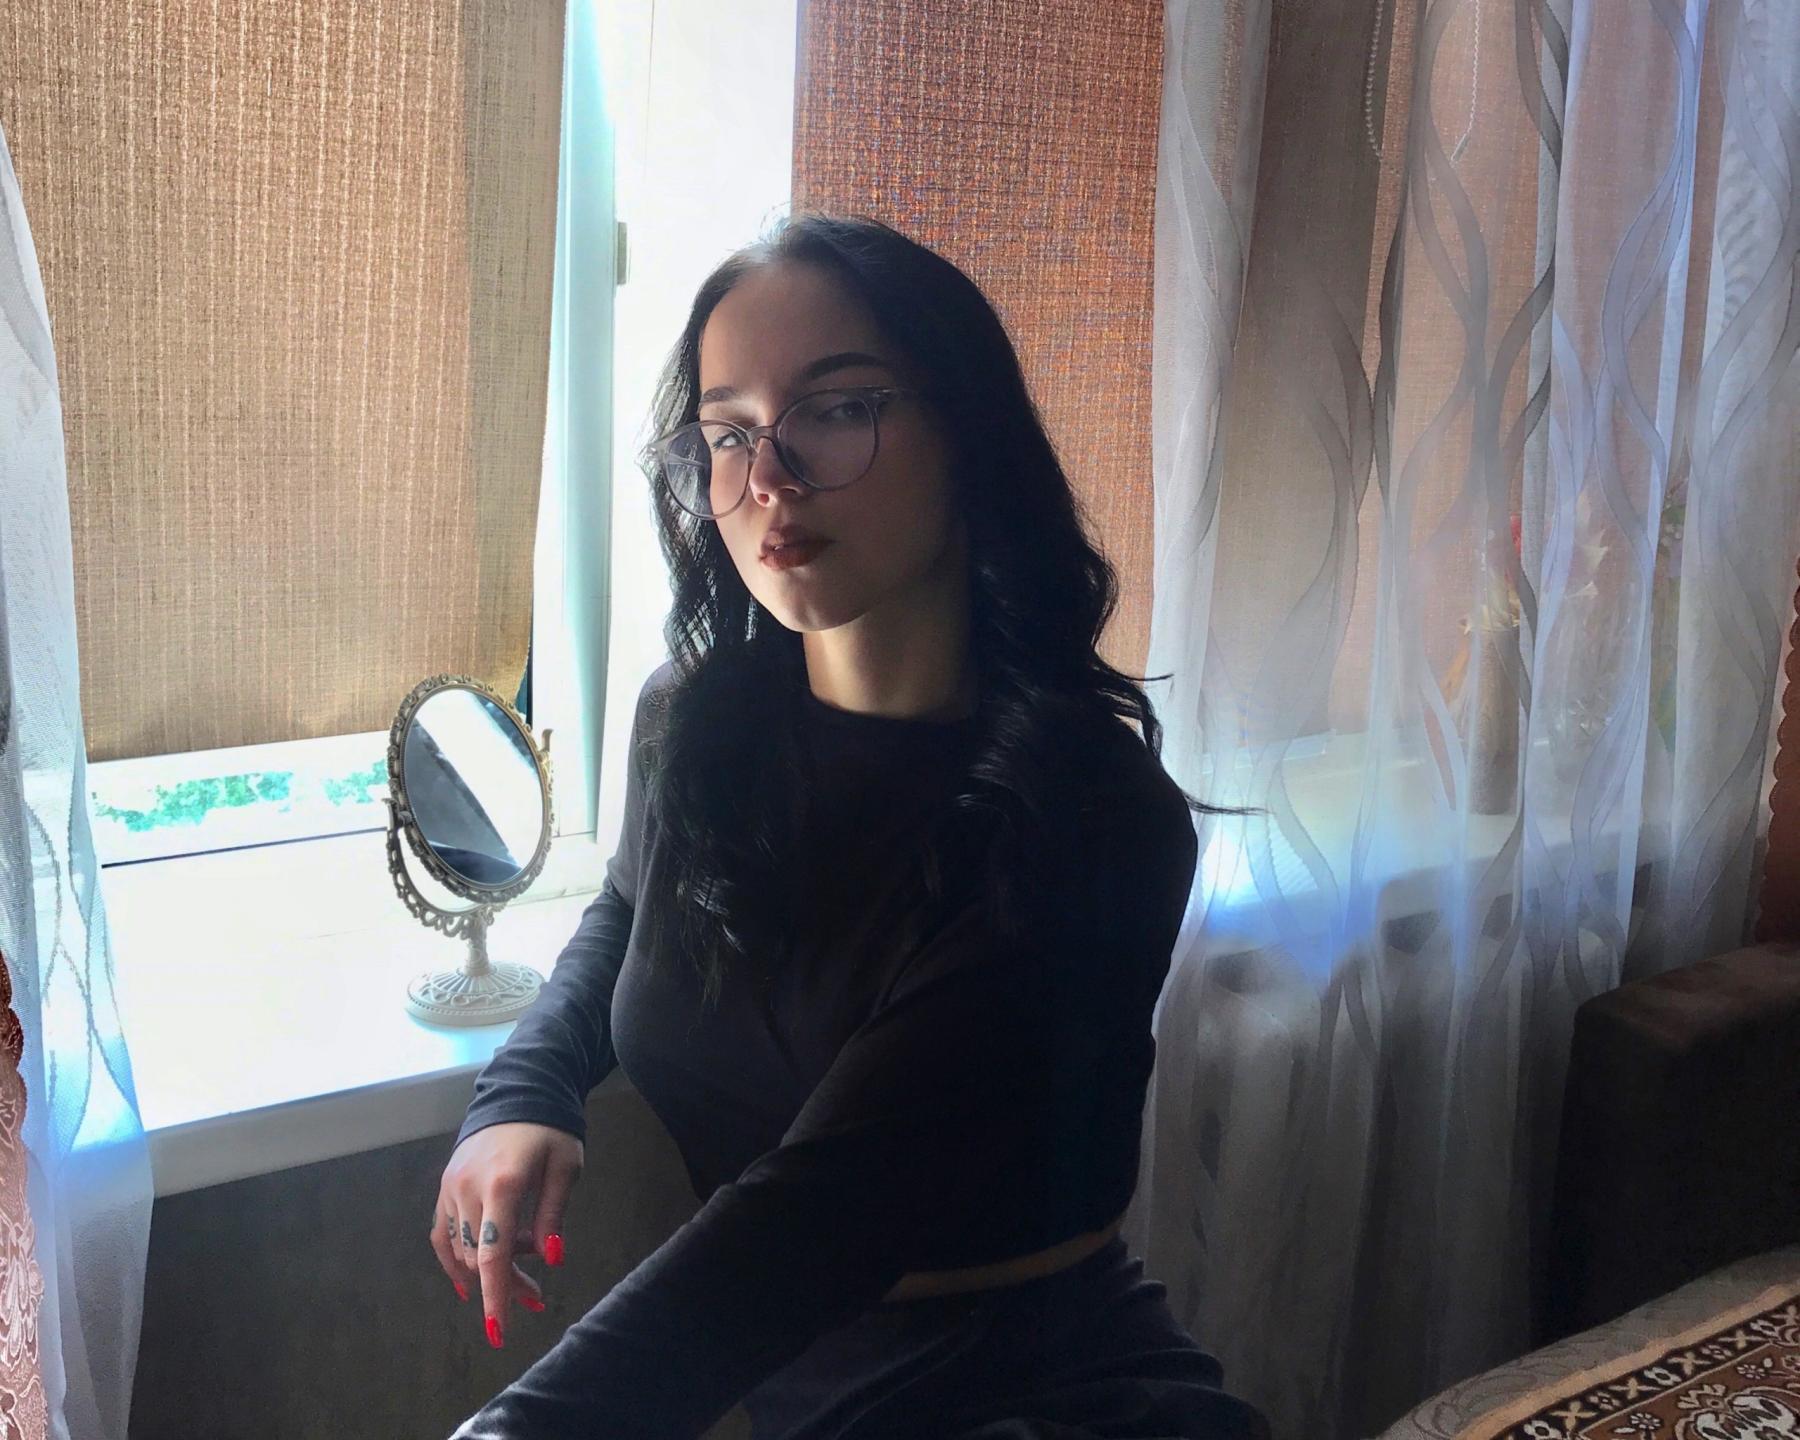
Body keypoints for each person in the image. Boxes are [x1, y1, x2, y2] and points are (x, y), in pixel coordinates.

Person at [432, 214, 1267, 1440]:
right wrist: (527, 1087)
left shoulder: (1090, 819)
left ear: (965, 433)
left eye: (836, 410)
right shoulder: (694, 724)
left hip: (1042, 1395)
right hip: (801, 1387)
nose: (770, 478)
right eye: (729, 433)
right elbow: (633, 906)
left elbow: (818, 1215)